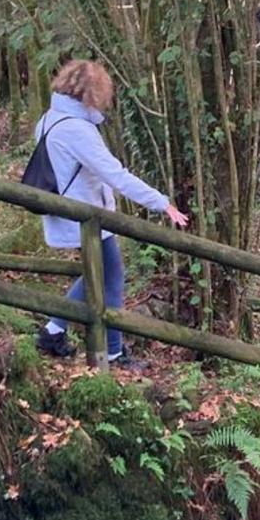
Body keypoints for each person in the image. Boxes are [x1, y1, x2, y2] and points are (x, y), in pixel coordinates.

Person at [34, 60, 189, 365]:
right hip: (86, 215)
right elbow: (115, 175)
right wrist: (162, 203)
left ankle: (54, 329)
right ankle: (113, 351)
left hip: (72, 211)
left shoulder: (49, 118)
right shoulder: (77, 129)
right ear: (92, 93)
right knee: (111, 276)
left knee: (101, 273)